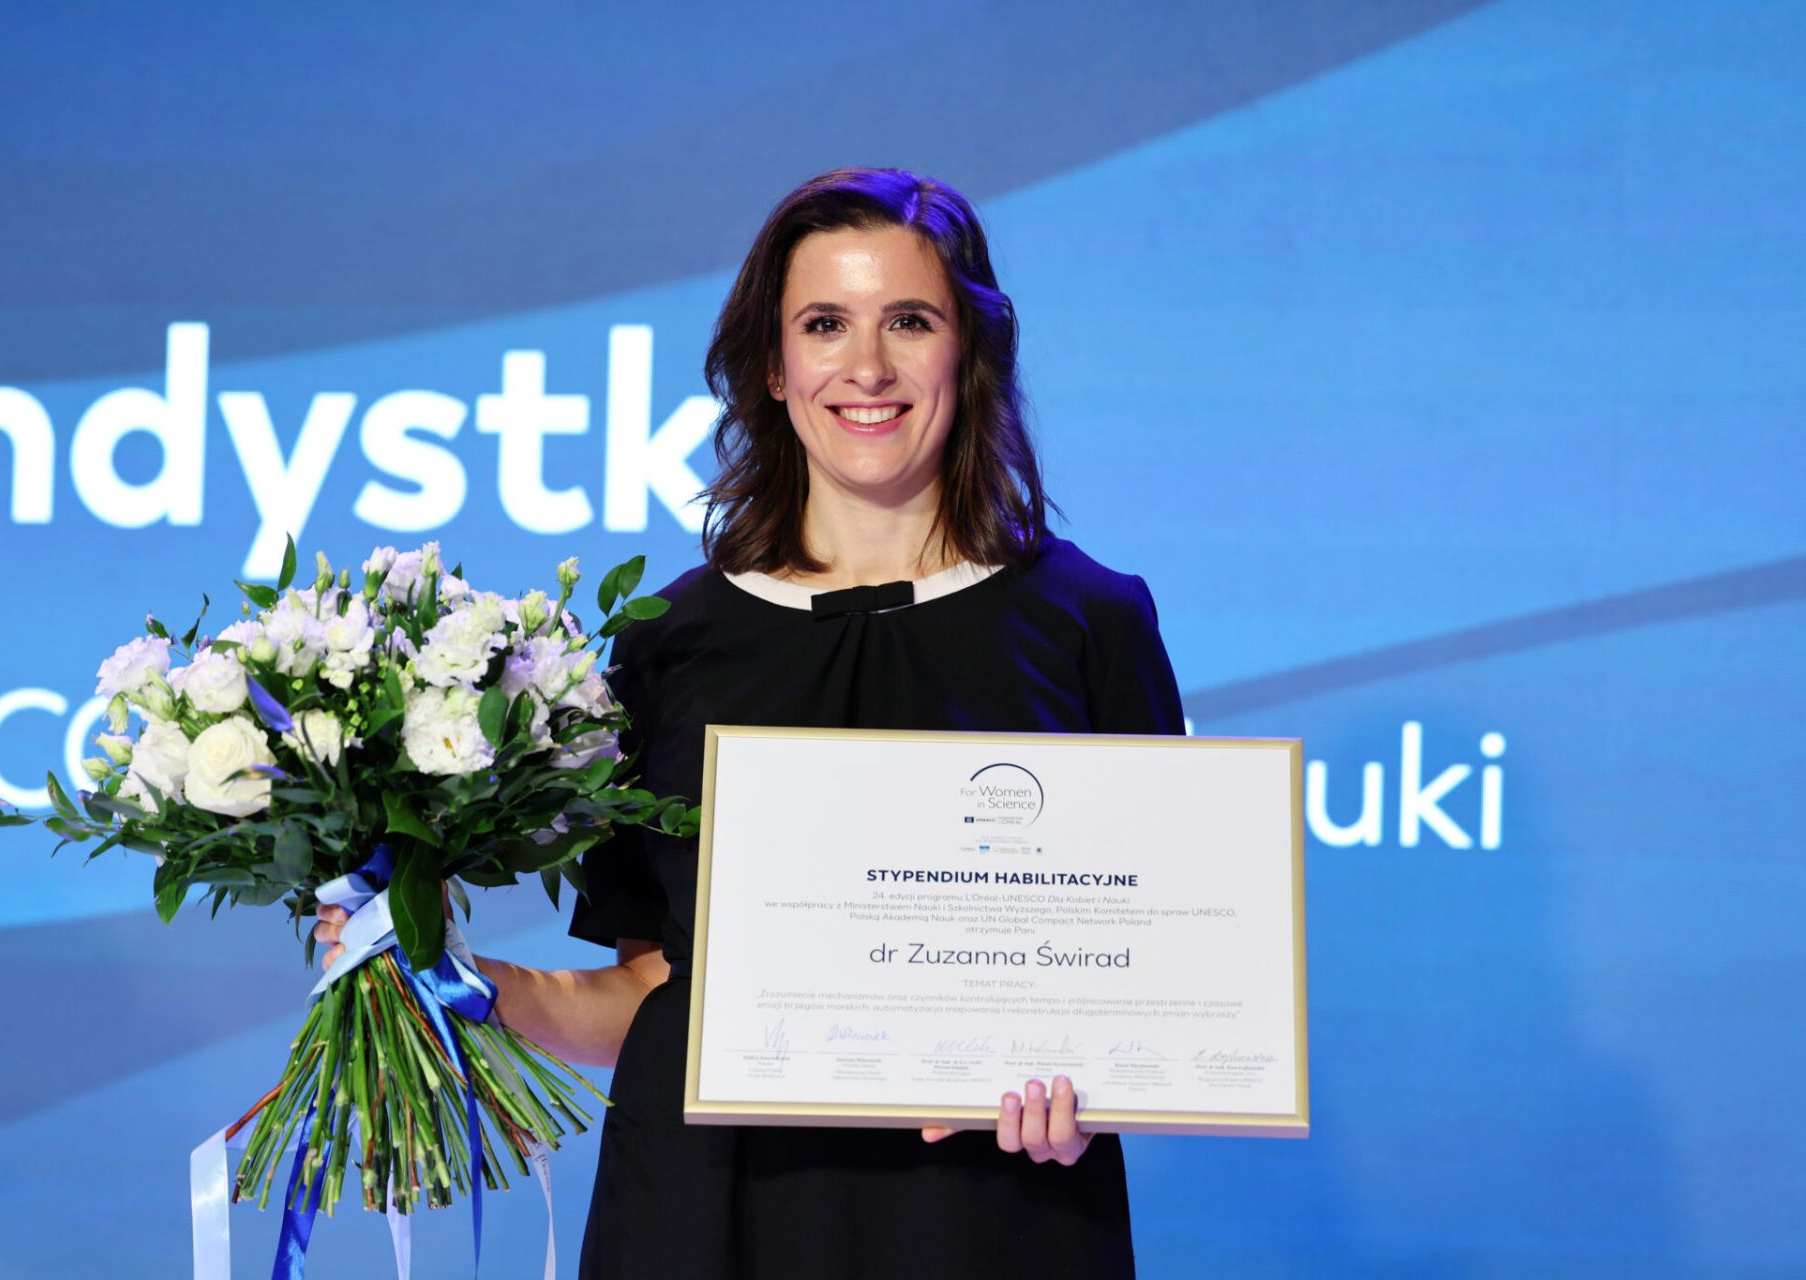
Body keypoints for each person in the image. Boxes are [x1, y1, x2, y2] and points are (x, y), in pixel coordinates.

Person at [319, 167, 1184, 1278]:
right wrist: (456, 979)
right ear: (772, 367)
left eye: (909, 321)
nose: (866, 367)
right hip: (703, 1214)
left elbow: (1150, 985)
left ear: (969, 350)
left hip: (989, 1218)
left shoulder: (1090, 623)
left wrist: (1094, 1085)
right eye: (825, 324)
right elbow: (656, 997)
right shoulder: (669, 641)